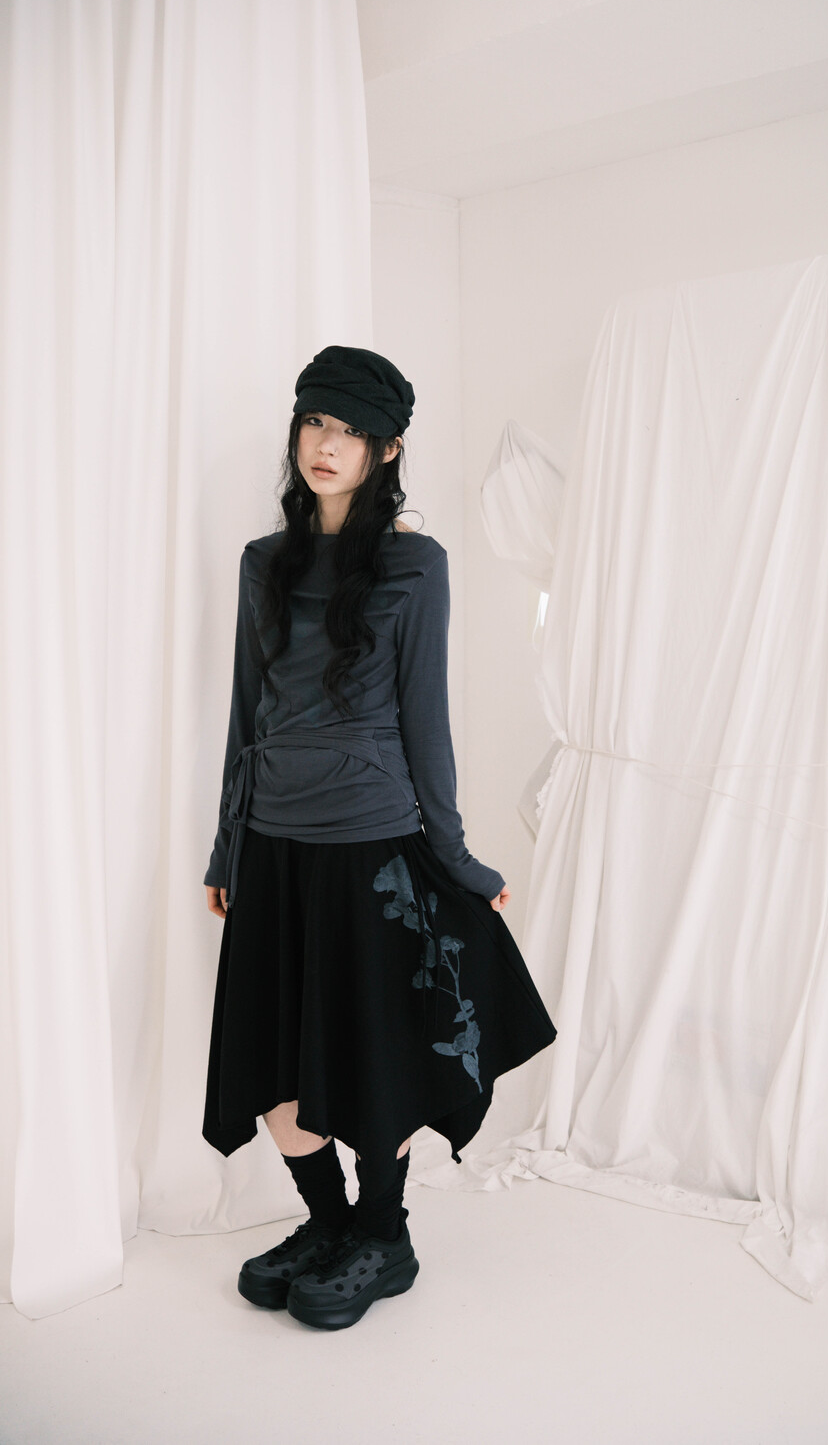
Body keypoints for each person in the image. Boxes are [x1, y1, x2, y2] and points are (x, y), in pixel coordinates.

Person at [201, 344, 557, 1331]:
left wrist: (458, 858)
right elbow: (246, 716)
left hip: (372, 844)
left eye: (351, 431)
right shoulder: (263, 562)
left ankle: (384, 1237)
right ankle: (330, 1225)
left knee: (367, 1055)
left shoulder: (413, 564)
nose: (326, 444)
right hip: (272, 840)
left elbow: (425, 726)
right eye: (315, 422)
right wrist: (227, 847)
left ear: (386, 450)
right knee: (272, 1059)